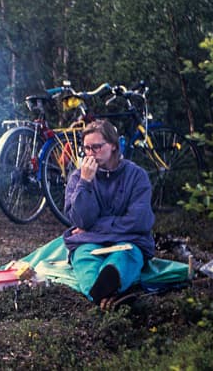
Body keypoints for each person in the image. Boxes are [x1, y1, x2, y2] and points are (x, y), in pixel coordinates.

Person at [62, 119, 155, 309]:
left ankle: (102, 293)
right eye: (86, 148)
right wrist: (85, 182)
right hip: (89, 242)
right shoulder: (77, 178)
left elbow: (139, 221)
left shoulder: (136, 176)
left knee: (124, 258)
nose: (90, 154)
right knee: (85, 261)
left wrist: (95, 228)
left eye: (96, 147)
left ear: (113, 145)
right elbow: (80, 220)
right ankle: (106, 296)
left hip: (128, 240)